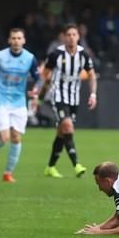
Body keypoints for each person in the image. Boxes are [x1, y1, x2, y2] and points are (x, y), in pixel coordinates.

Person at [0, 28, 40, 183]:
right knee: (4, 137)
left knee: (16, 138)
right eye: (13, 38)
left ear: (24, 40)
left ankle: (8, 173)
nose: (16, 41)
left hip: (19, 103)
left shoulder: (30, 58)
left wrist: (35, 92)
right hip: (2, 100)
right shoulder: (0, 56)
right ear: (9, 40)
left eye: (19, 38)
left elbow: (38, 78)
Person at [42, 24, 97, 178]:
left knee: (61, 132)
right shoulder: (55, 54)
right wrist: (40, 93)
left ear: (78, 37)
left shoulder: (83, 55)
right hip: (58, 95)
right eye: (69, 34)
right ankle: (76, 164)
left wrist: (93, 94)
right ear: (64, 37)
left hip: (74, 98)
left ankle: (50, 167)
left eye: (74, 34)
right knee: (68, 126)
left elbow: (92, 75)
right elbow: (45, 73)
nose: (72, 37)